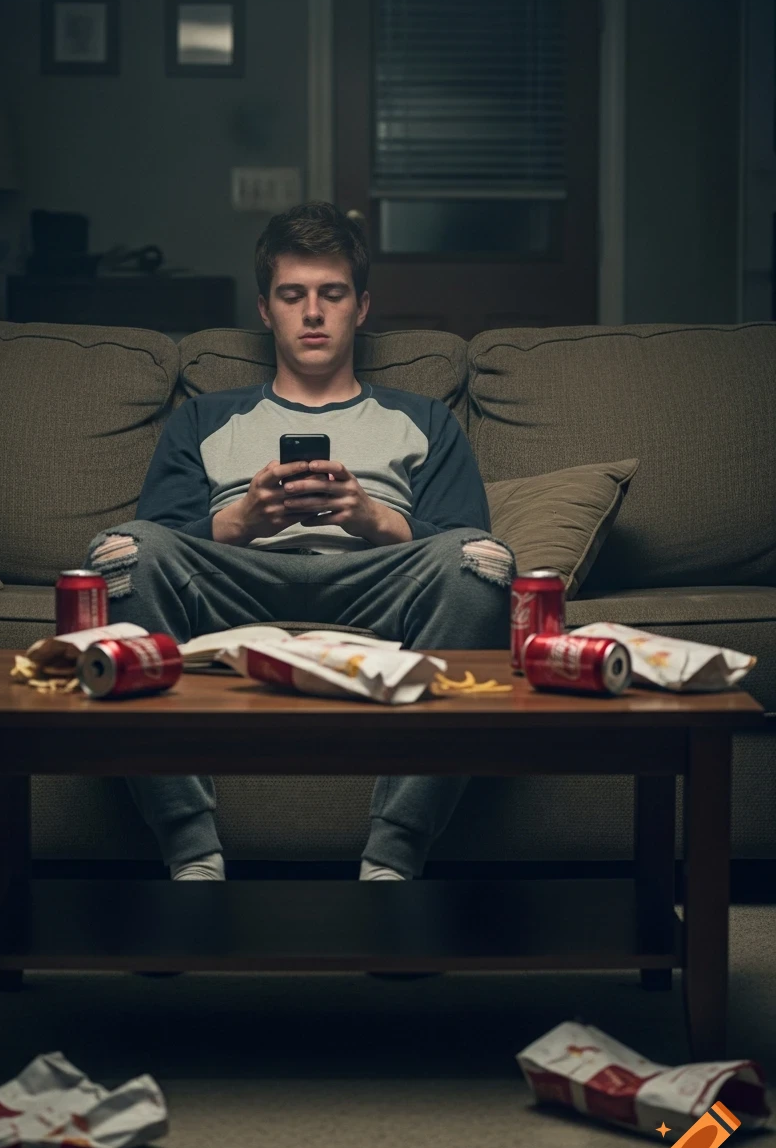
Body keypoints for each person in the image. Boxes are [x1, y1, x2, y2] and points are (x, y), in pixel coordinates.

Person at [84, 201, 515, 883]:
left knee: (484, 568)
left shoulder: (424, 418)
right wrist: (240, 523)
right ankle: (191, 849)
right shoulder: (203, 417)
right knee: (122, 555)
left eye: (331, 294)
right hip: (233, 587)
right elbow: (151, 546)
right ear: (266, 309)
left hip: (380, 594)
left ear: (361, 306)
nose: (313, 313)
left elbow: (472, 549)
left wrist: (373, 520)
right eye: (293, 295)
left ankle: (394, 856)